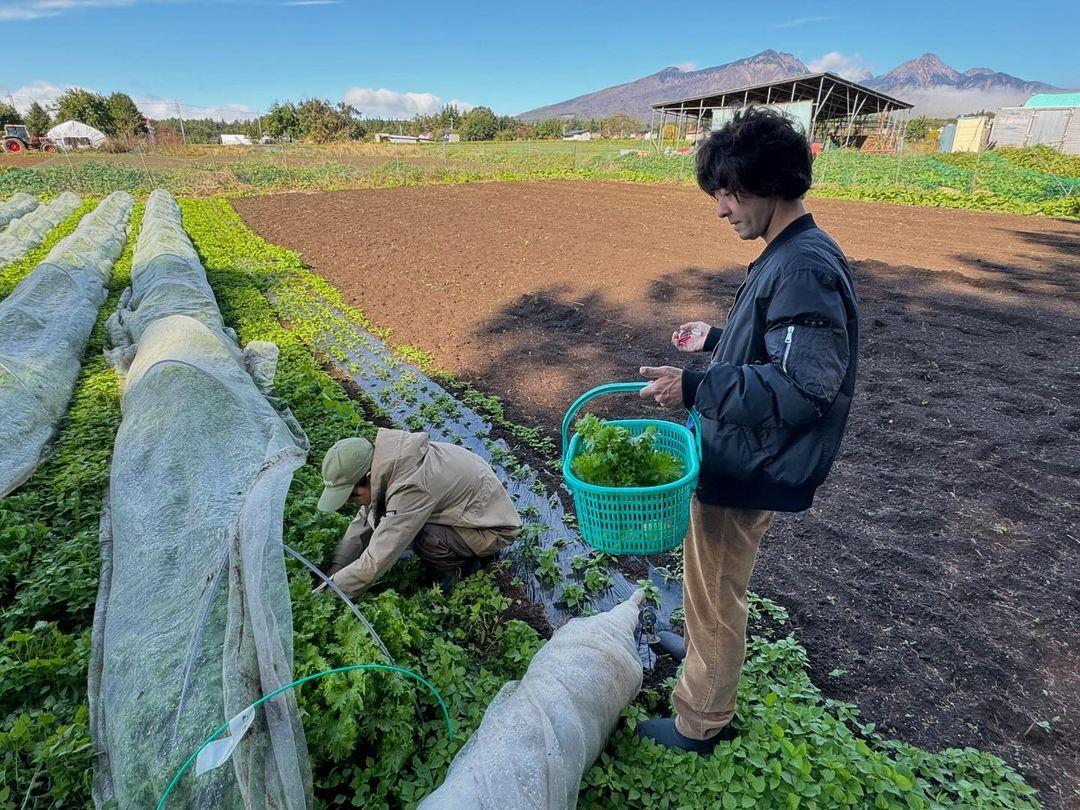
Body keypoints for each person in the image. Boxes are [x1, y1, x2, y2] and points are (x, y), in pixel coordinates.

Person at [635, 107, 860, 753]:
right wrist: (714, 340)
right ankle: (706, 650)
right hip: (739, 448)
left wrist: (695, 385)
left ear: (767, 185)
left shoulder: (802, 267)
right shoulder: (789, 254)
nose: (721, 210)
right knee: (709, 582)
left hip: (749, 463)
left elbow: (803, 388)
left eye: (728, 194)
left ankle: (701, 720)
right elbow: (778, 351)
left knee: (717, 588)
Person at [316, 429, 521, 598]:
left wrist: (326, 594)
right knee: (400, 524)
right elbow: (365, 517)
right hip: (470, 511)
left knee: (423, 537)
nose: (353, 503)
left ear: (368, 477)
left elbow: (378, 558)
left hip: (490, 527)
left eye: (352, 497)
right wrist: (338, 566)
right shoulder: (387, 462)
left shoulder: (411, 485)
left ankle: (458, 571)